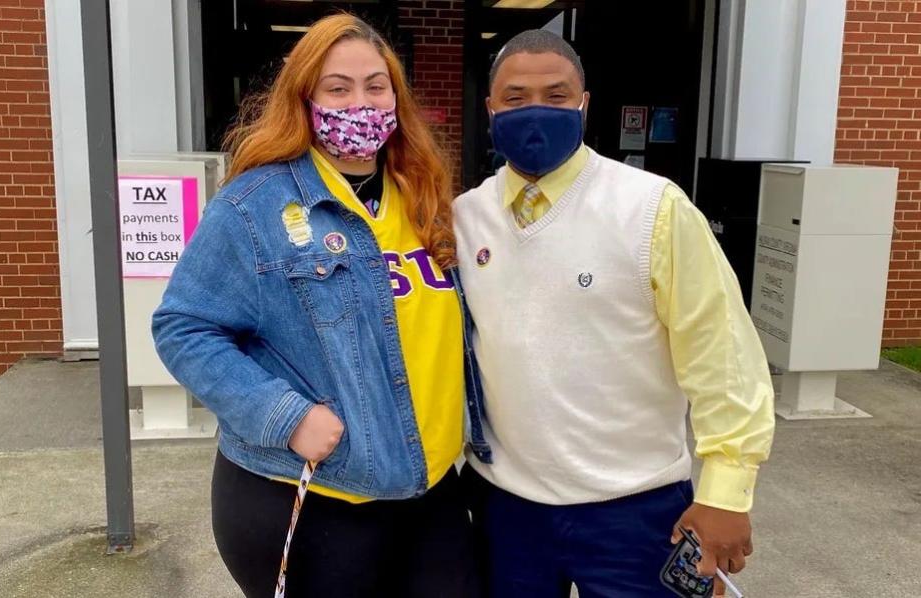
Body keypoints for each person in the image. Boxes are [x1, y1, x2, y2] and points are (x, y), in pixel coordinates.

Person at [152, 14, 486, 598]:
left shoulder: (423, 193)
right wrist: (284, 415)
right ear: (305, 99)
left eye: (375, 86)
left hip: (430, 489)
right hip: (318, 500)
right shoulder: (255, 206)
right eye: (338, 88)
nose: (361, 103)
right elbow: (184, 327)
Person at [454, 29, 776, 597]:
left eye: (556, 96)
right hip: (506, 510)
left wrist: (726, 491)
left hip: (636, 512)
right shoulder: (465, 219)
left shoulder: (654, 208)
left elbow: (721, 354)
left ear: (584, 103)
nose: (535, 110)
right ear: (490, 108)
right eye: (515, 96)